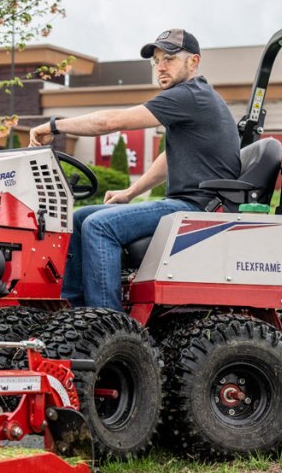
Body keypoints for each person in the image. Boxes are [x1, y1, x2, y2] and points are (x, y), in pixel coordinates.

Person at [29, 28, 241, 310]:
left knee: (100, 225)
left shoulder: (189, 95)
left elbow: (111, 122)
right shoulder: (195, 98)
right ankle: (75, 313)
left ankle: (106, 323)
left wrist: (53, 126)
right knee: (80, 218)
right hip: (186, 202)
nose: (161, 67)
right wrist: (131, 192)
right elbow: (170, 156)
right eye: (156, 61)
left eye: (170, 59)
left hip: (200, 207)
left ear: (193, 62)